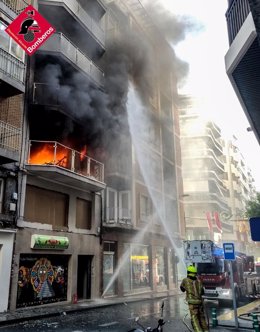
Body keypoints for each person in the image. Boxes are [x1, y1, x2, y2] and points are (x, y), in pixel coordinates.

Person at [180, 265, 209, 332]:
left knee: (194, 319)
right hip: (200, 302)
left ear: (188, 272)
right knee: (202, 318)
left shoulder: (185, 280)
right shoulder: (199, 281)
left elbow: (182, 289)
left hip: (192, 303)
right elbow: (202, 292)